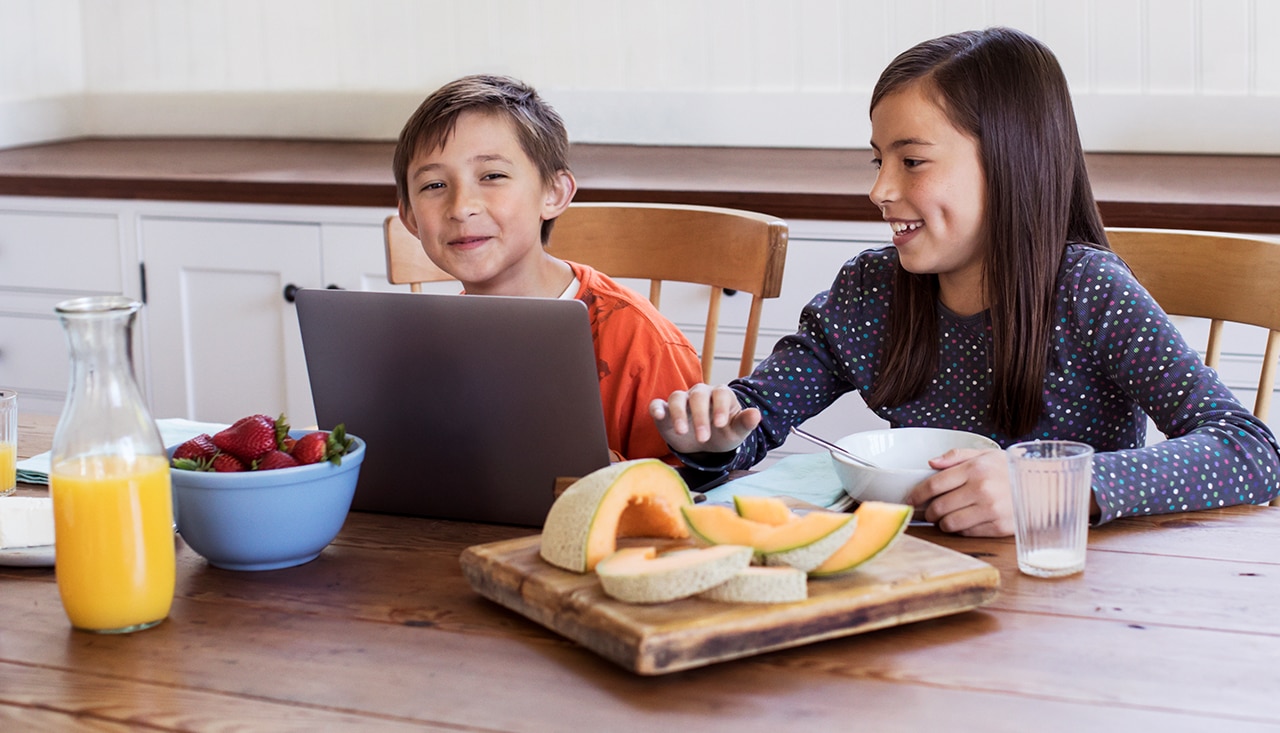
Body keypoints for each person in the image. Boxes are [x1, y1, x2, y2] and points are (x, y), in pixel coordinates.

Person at [650, 27, 1280, 536]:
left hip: (1065, 603)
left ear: (1010, 164)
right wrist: (709, 438)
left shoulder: (1089, 291)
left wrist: (1047, 487)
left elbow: (1251, 451)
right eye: (878, 160)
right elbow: (755, 419)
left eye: (912, 161)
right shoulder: (870, 290)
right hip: (913, 586)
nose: (879, 190)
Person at [393, 74, 702, 462]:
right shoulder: (419, 348)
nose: (460, 207)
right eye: (434, 186)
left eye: (492, 176)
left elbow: (682, 495)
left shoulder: (642, 344)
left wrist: (608, 474)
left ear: (554, 194)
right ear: (409, 218)